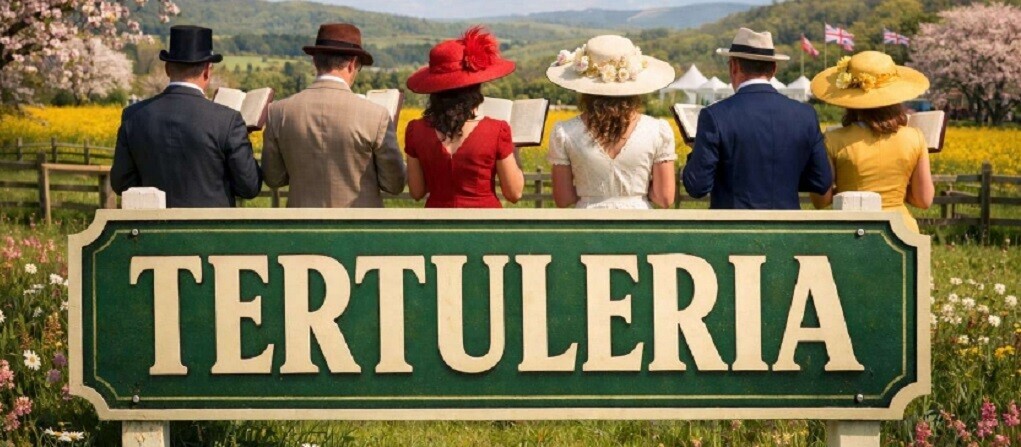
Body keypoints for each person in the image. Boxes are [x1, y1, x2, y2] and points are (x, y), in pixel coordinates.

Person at [111, 25, 261, 207]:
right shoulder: (227, 120)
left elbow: (121, 183)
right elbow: (249, 187)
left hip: (152, 223)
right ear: (207, 71)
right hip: (211, 224)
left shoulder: (132, 116)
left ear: (167, 68)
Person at [681, 28, 832, 209]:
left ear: (734, 66)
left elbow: (697, 187)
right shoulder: (805, 115)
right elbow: (821, 181)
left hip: (733, 224)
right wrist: (784, 180)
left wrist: (697, 150)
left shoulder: (715, 115)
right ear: (774, 69)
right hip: (788, 224)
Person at [261, 23, 406, 208]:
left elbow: (274, 178)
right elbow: (394, 185)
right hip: (360, 224)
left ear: (315, 61)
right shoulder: (377, 115)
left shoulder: (277, 112)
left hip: (301, 222)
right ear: (353, 64)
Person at [545, 35, 677, 209]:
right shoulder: (658, 131)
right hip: (639, 222)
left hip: (587, 221)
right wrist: (638, 192)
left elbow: (564, 199)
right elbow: (664, 198)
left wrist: (591, 193)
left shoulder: (564, 132)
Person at [809, 51, 935, 232]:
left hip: (850, 230)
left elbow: (821, 201)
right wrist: (894, 192)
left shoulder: (832, 140)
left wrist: (844, 191)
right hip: (902, 231)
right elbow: (924, 200)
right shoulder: (915, 137)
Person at [403, 27, 523, 208]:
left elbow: (417, 191)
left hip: (436, 220)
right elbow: (514, 193)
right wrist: (515, 151)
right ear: (475, 87)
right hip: (484, 221)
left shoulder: (415, 130)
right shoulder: (497, 131)